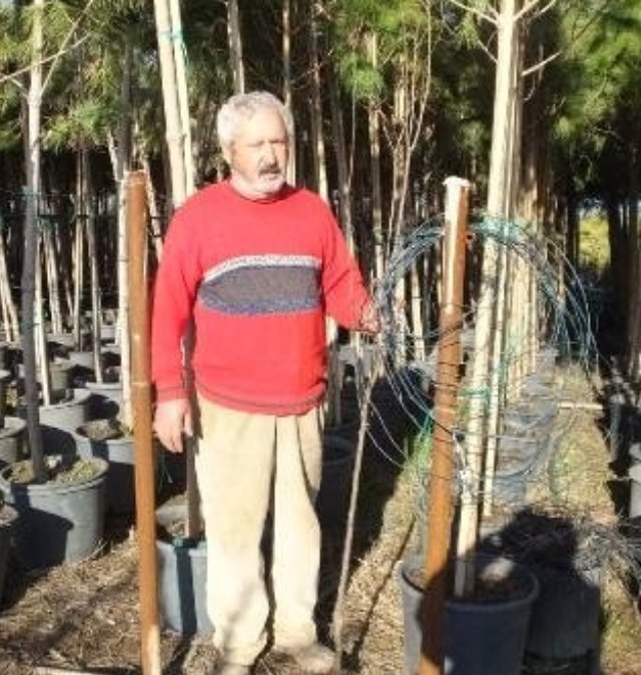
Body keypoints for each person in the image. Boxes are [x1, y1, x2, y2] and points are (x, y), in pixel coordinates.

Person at [151, 91, 377, 675]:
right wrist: (170, 394)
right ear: (229, 151)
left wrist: (372, 312)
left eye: (280, 142)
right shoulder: (198, 218)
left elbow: (342, 286)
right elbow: (167, 312)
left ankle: (298, 635)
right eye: (259, 145)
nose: (273, 155)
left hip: (302, 399)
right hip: (227, 405)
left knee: (301, 523)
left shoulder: (312, 211)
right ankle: (238, 646)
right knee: (235, 529)